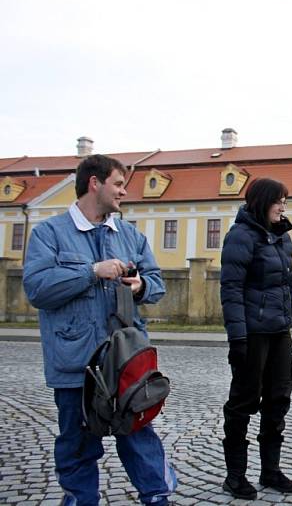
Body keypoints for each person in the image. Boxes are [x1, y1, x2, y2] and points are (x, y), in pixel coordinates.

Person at [22, 154, 177, 506]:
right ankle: (80, 500)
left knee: (139, 436)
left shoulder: (130, 234)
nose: (124, 192)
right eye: (118, 184)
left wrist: (140, 287)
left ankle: (157, 498)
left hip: (126, 360)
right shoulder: (49, 233)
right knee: (77, 442)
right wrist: (91, 272)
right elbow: (38, 290)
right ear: (95, 183)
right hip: (75, 361)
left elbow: (156, 283)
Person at [219, 177, 292, 500]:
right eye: (278, 201)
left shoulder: (282, 238)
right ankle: (235, 476)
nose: (283, 207)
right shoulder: (240, 236)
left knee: (278, 399)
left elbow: (288, 285)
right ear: (261, 202)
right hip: (252, 335)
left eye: (286, 201)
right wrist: (237, 339)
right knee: (243, 403)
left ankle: (270, 470)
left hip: (279, 332)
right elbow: (231, 290)